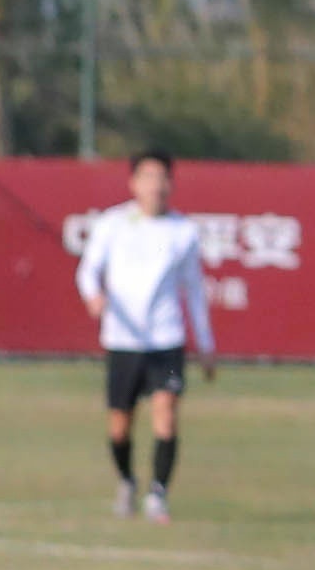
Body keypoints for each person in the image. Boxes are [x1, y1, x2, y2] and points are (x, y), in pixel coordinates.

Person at [74, 150, 215, 522]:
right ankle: (126, 480)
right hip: (123, 341)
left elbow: (195, 291)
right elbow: (88, 271)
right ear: (133, 183)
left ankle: (158, 494)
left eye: (162, 177)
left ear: (171, 184)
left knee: (165, 415)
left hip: (165, 340)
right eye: (148, 177)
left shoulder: (182, 232)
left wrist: (206, 344)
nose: (156, 185)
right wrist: (93, 296)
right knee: (120, 425)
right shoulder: (112, 224)